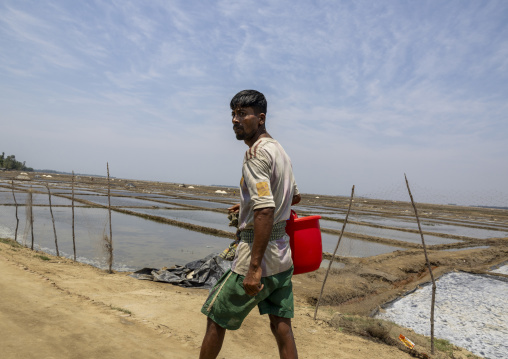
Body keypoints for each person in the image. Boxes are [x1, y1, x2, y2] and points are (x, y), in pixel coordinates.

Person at [199, 90, 301, 359]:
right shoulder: (279, 151)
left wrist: (254, 268)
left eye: (243, 114)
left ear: (261, 118)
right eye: (233, 114)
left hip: (258, 257)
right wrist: (245, 204)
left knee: (215, 316)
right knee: (281, 326)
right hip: (282, 257)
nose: (235, 119)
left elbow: (266, 210)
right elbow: (293, 195)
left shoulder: (255, 154)